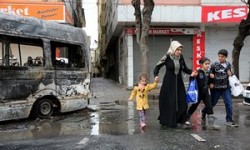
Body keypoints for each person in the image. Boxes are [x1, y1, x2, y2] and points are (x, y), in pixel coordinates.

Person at [153, 41, 196, 128]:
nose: (179, 51)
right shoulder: (167, 57)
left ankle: (182, 119)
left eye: (181, 50)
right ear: (173, 49)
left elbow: (185, 69)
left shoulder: (181, 57)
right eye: (177, 50)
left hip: (179, 82)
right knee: (170, 101)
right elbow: (157, 67)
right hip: (168, 82)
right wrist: (156, 76)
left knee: (182, 100)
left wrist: (193, 72)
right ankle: (168, 120)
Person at [186, 57, 220, 129]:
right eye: (206, 64)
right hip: (198, 93)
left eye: (208, 64)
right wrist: (192, 76)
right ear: (201, 64)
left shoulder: (208, 72)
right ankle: (186, 118)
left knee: (209, 106)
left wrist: (212, 81)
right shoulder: (198, 72)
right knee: (194, 106)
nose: (208, 65)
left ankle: (211, 124)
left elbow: (210, 81)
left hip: (205, 93)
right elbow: (191, 80)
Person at [210, 49, 238, 127]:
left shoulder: (228, 64)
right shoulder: (214, 65)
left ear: (226, 57)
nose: (220, 58)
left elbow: (231, 74)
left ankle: (229, 120)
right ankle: (204, 113)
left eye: (222, 57)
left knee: (229, 103)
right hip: (216, 88)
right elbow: (209, 73)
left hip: (226, 88)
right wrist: (211, 82)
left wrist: (231, 73)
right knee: (212, 103)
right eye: (219, 56)